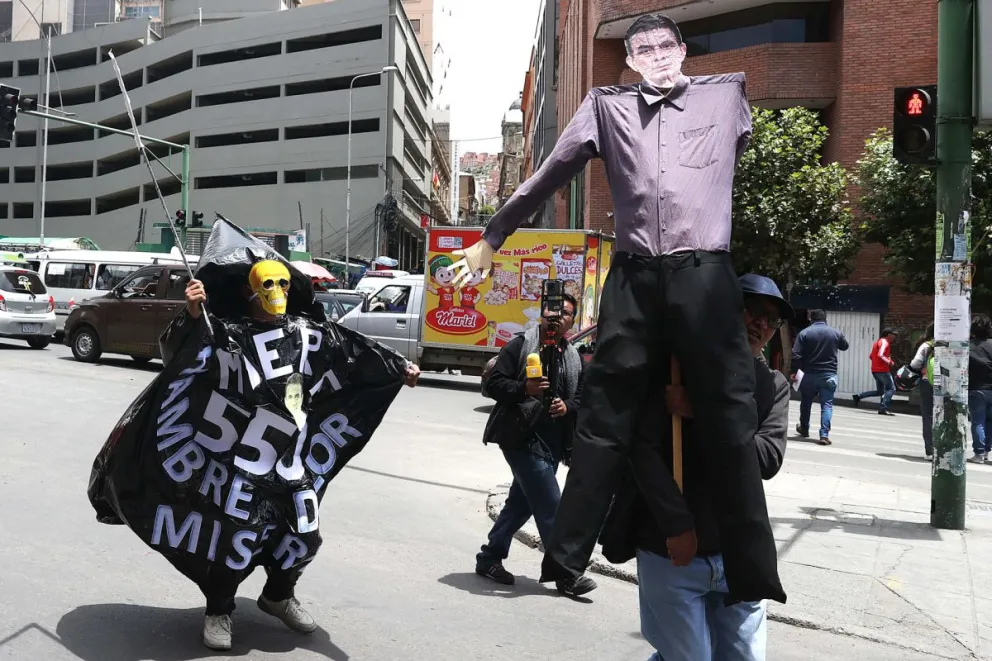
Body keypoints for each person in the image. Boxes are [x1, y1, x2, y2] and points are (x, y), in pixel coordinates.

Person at [448, 12, 784, 605]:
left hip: (704, 268)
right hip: (633, 270)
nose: (654, 54)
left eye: (664, 44)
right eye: (641, 48)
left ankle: (752, 569)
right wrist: (493, 235)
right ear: (629, 58)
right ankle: (568, 550)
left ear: (682, 48)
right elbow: (552, 170)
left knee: (730, 410)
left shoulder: (726, 93)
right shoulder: (606, 105)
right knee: (606, 408)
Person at [183, 263, 421, 650]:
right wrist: (194, 312)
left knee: (305, 535)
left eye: (283, 282)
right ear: (250, 291)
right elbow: (189, 356)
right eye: (268, 283)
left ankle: (277, 595)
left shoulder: (307, 332)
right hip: (244, 457)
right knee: (237, 535)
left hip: (292, 458)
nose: (278, 289)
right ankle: (219, 610)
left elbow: (353, 349)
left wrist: (399, 366)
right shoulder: (230, 333)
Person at [599, 274, 792, 661]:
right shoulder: (673, 371)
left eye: (771, 319)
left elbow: (768, 458)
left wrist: (703, 414)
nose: (760, 324)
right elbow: (643, 452)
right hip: (672, 551)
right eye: (751, 310)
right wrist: (677, 525)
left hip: (739, 554)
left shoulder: (771, 386)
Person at [475, 294, 595, 595]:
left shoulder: (572, 355)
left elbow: (582, 396)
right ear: (542, 314)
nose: (559, 318)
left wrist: (567, 407)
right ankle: (565, 573)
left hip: (555, 442)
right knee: (551, 504)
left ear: (572, 320)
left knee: (521, 502)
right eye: (553, 311)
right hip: (520, 438)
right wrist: (523, 388)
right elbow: (492, 384)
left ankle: (489, 558)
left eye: (566, 314)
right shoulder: (521, 346)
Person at [790, 309, 849, 445]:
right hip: (829, 375)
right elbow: (845, 346)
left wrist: (794, 371)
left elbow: (796, 354)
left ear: (811, 319)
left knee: (806, 402)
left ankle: (804, 428)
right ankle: (824, 435)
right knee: (827, 405)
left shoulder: (804, 333)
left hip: (809, 375)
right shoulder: (835, 333)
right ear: (825, 319)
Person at [853, 329, 898, 415]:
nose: (894, 337)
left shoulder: (877, 342)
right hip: (883, 370)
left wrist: (879, 362)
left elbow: (871, 356)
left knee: (880, 391)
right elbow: (880, 355)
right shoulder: (885, 342)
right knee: (891, 389)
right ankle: (883, 408)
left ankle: (858, 396)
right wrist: (889, 362)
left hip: (875, 370)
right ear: (888, 334)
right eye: (893, 335)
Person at [909, 323, 936, 461]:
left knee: (928, 416)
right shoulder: (953, 344)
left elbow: (915, 364)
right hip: (949, 385)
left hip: (928, 382)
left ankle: (930, 451)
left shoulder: (927, 346)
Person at [968, 314, 992, 464]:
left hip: (976, 388)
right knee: (990, 421)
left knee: (978, 421)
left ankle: (979, 453)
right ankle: (987, 451)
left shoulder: (968, 346)